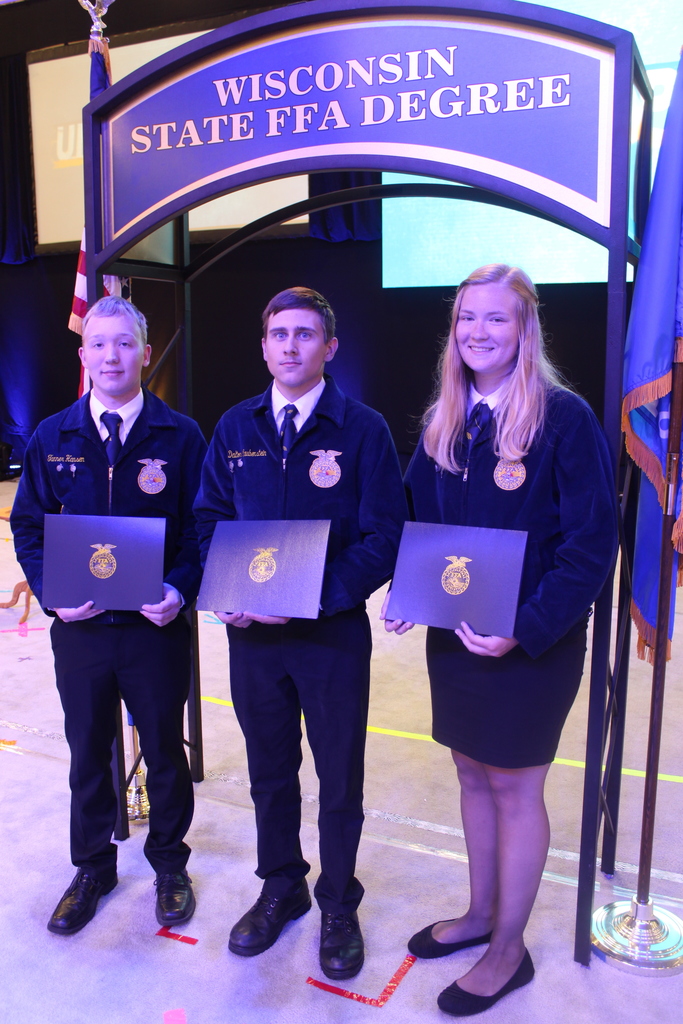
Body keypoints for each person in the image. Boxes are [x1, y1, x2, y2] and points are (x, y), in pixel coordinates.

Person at [382, 265, 617, 1016]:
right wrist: (405, 588)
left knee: (515, 789)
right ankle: (480, 915)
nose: (478, 333)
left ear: (525, 329)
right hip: (457, 638)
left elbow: (589, 546)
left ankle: (508, 951)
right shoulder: (445, 417)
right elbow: (413, 516)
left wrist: (525, 628)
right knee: (470, 777)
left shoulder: (562, 417)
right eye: (465, 319)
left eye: (495, 320)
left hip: (530, 644)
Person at [193, 286, 407, 980]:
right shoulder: (234, 427)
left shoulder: (362, 429)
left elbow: (383, 536)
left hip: (330, 638)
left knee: (339, 779)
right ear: (263, 346)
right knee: (269, 774)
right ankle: (280, 884)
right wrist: (224, 593)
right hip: (253, 639)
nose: (290, 345)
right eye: (279, 333)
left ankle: (337, 901)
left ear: (329, 347)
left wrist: (317, 598)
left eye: (305, 334)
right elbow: (206, 522)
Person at [11, 296, 207, 936]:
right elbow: (29, 528)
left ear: (145, 354)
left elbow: (200, 530)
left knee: (164, 752)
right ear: (84, 354)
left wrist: (179, 589)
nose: (112, 355)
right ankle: (93, 867)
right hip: (83, 629)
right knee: (87, 751)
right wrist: (49, 595)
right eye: (99, 344)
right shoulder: (51, 436)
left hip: (155, 631)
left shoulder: (180, 436)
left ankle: (170, 865)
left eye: (125, 343)